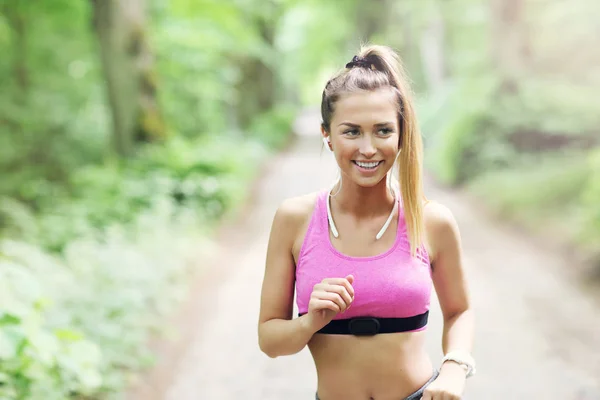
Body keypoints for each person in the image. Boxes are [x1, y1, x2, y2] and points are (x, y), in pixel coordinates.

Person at [257, 44, 475, 400]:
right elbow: (270, 340)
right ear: (326, 134)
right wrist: (311, 320)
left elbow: (459, 311)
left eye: (383, 131)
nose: (369, 148)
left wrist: (454, 368)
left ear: (401, 134)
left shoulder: (431, 220)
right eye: (352, 131)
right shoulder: (294, 219)